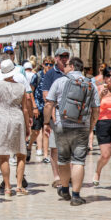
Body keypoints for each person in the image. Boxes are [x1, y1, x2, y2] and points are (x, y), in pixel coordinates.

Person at [43, 57, 100, 206]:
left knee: (63, 159)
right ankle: (76, 196)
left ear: (73, 66)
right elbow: (96, 109)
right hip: (82, 126)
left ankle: (64, 190)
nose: (64, 67)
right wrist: (91, 126)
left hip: (62, 125)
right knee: (78, 161)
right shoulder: (90, 84)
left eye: (67, 65)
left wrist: (46, 122)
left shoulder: (59, 82)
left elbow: (49, 104)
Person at [0, 60, 30, 197]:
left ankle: (8, 187)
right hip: (17, 117)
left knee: (3, 153)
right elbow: (26, 109)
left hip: (2, 116)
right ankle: (20, 186)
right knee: (21, 153)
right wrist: (28, 126)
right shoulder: (21, 87)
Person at [41, 47, 70, 188]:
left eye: (67, 56)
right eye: (62, 56)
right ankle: (57, 176)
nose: (64, 58)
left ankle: (67, 175)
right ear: (56, 57)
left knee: (69, 147)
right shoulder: (51, 74)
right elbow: (46, 95)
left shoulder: (71, 72)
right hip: (55, 113)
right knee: (55, 148)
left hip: (71, 115)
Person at [30, 57, 53, 158]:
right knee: (36, 131)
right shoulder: (37, 76)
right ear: (43, 64)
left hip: (49, 107)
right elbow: (30, 92)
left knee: (46, 130)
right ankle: (30, 145)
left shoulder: (53, 76)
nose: (48, 66)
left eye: (51, 64)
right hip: (38, 107)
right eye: (46, 64)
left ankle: (45, 155)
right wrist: (34, 107)